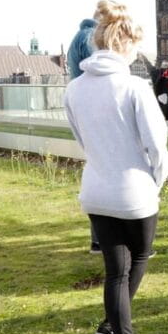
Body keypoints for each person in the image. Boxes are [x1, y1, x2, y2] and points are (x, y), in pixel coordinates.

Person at [64, 0, 168, 334]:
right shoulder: (134, 86)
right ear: (126, 43)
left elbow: (82, 140)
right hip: (134, 190)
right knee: (136, 259)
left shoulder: (74, 89)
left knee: (115, 270)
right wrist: (155, 182)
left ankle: (116, 332)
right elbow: (157, 148)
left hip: (96, 188)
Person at [67, 14, 103, 253]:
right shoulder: (90, 37)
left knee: (97, 170)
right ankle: (101, 239)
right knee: (103, 171)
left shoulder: (78, 37)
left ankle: (99, 239)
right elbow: (98, 71)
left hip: (85, 110)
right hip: (95, 109)